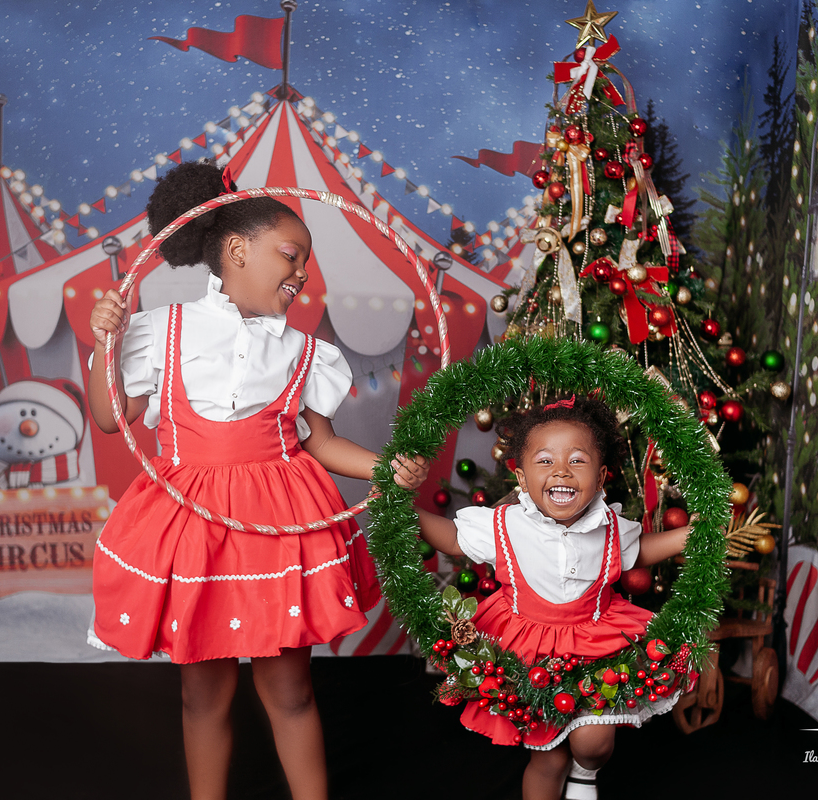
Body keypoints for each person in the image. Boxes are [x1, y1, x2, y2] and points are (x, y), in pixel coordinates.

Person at [86, 159, 428, 800]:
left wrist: (385, 467)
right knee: (203, 691)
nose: (302, 274)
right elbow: (111, 419)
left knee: (290, 688)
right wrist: (106, 344)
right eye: (291, 256)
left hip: (279, 525)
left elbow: (320, 442)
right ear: (237, 250)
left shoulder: (302, 351)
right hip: (194, 525)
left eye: (306, 263)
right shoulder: (160, 331)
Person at [415, 395, 691, 800]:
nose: (561, 470)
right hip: (530, 649)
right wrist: (406, 513)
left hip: (597, 643)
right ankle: (563, 770)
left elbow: (638, 551)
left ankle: (586, 770)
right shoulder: (505, 524)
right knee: (548, 760)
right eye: (545, 461)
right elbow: (455, 540)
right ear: (522, 478)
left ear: (601, 477)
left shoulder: (609, 525)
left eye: (577, 460)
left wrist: (688, 536)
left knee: (592, 744)